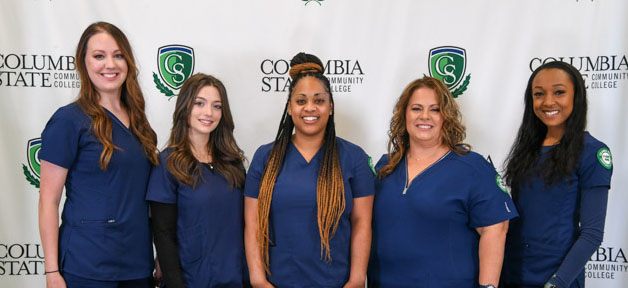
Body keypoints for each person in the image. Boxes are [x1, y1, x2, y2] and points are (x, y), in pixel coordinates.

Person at [38, 22, 158, 287]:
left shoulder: (141, 125)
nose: (110, 64)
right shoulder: (69, 121)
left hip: (137, 264)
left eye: (118, 55)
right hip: (87, 265)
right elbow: (48, 200)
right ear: (83, 63)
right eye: (99, 56)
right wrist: (51, 272)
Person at [367, 77, 518, 288]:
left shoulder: (471, 167)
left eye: (435, 109)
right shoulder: (385, 167)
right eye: (416, 108)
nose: (425, 116)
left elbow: (495, 229)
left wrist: (488, 287)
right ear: (404, 114)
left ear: (446, 117)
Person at [243, 52, 375, 288]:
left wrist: (355, 280)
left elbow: (362, 223)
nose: (310, 108)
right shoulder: (266, 157)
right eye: (301, 101)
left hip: (336, 283)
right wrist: (258, 280)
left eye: (319, 100)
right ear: (290, 107)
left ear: (330, 106)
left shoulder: (353, 157)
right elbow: (252, 223)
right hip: (277, 282)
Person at [501, 61, 613, 288]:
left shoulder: (592, 152)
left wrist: (557, 282)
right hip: (512, 274)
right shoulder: (527, 149)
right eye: (539, 94)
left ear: (576, 96)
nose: (548, 101)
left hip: (556, 278)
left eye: (559, 92)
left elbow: (592, 234)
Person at [146, 73, 248, 287]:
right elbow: (163, 233)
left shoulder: (233, 163)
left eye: (217, 106)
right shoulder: (168, 163)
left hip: (235, 278)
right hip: (191, 281)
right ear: (185, 107)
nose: (208, 113)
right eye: (199, 103)